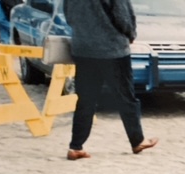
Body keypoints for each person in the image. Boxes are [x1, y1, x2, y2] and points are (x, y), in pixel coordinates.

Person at [63, 0, 157, 161]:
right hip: (112, 50)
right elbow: (123, 17)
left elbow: (68, 16)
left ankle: (75, 147)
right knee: (126, 97)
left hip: (83, 49)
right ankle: (137, 140)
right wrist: (130, 34)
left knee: (85, 100)